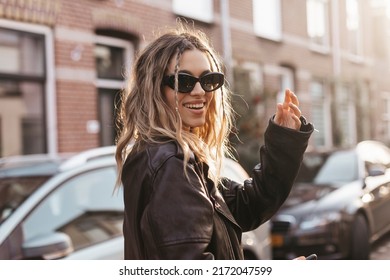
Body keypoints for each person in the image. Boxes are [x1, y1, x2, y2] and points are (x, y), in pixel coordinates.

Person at [115, 23, 314, 260]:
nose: (200, 91)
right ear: (156, 89)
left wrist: (284, 140)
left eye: (208, 80)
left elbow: (246, 206)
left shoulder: (174, 159)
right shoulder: (170, 165)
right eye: (184, 81)